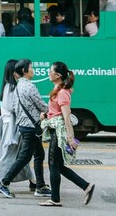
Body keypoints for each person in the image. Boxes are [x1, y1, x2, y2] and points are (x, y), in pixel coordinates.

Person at [39, 61, 94, 207]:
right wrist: (46, 114)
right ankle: (86, 186)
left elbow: (66, 116)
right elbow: (56, 112)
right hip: (56, 130)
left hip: (60, 133)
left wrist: (70, 138)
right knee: (59, 166)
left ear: (57, 75)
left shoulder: (62, 92)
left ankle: (55, 199)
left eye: (50, 71)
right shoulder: (58, 90)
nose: (48, 73)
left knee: (53, 166)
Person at [0, 59, 48, 199]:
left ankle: (40, 186)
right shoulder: (29, 87)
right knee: (24, 157)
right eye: (31, 67)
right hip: (30, 126)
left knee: (38, 155)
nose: (33, 70)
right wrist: (52, 110)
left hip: (24, 125)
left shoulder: (17, 86)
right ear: (24, 71)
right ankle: (3, 183)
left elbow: (17, 108)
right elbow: (41, 105)